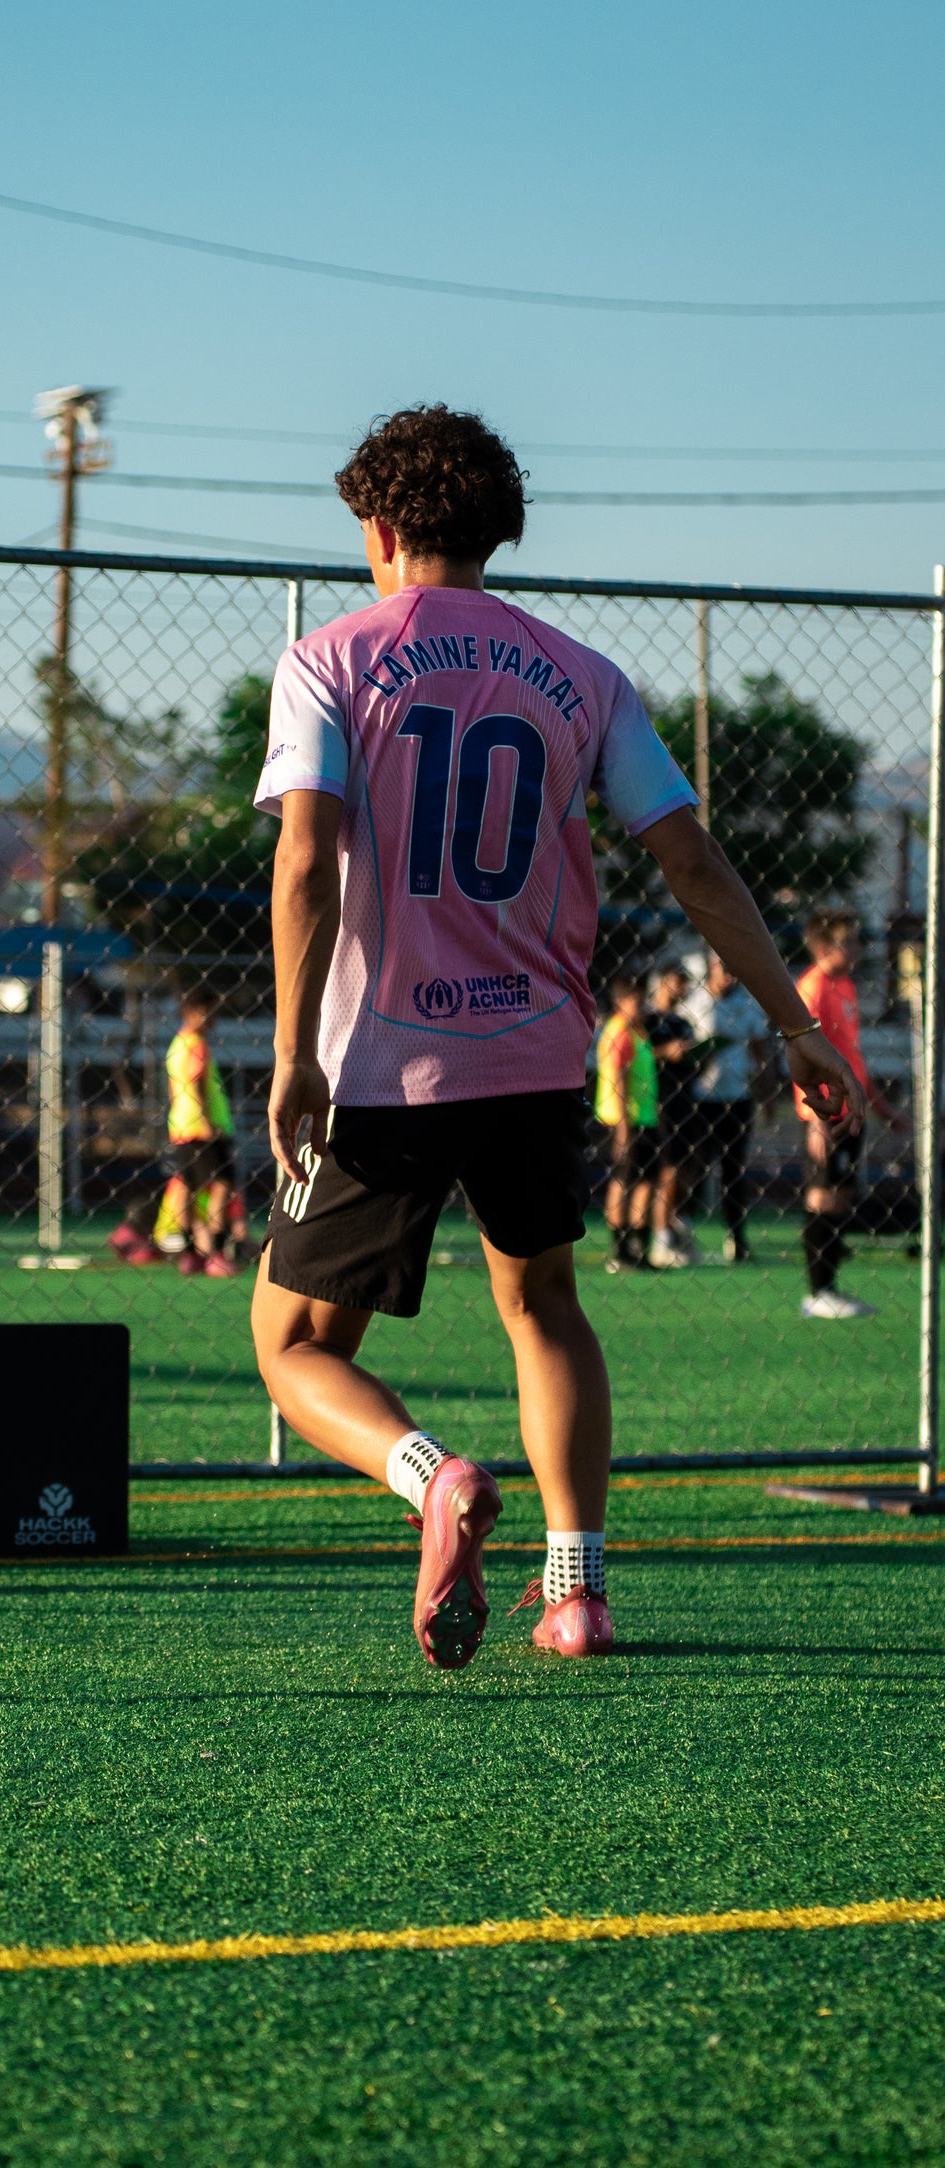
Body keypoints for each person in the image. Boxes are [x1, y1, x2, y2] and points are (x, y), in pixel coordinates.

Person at [249, 403, 862, 1670]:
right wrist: (795, 1024)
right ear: (499, 531)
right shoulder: (582, 674)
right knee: (543, 1309)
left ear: (377, 527)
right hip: (533, 1056)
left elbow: (305, 858)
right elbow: (690, 861)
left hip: (377, 1062)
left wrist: (294, 1050)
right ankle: (575, 1593)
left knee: (296, 1345)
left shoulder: (328, 660)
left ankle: (430, 1475)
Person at [794, 911, 905, 1318]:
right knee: (822, 1196)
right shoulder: (811, 988)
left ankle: (830, 1289)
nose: (857, 948)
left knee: (841, 1198)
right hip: (825, 1111)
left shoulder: (845, 986)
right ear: (825, 947)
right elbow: (803, 1054)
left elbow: (851, 1055)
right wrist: (816, 1119)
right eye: (850, 941)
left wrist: (882, 1107)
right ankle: (816, 1293)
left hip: (849, 1110)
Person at [678, 952, 770, 1264]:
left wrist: (767, 1092)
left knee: (734, 1170)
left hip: (737, 1098)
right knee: (696, 1167)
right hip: (702, 1097)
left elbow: (760, 1049)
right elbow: (681, 1046)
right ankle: (681, 1233)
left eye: (732, 968)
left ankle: (736, 1238)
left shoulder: (747, 1002)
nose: (728, 975)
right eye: (722, 967)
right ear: (710, 966)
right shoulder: (694, 1002)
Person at [164, 990, 240, 1278]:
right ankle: (217, 1254)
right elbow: (195, 1083)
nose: (214, 1018)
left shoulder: (176, 1044)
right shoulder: (197, 1044)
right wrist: (207, 1122)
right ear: (194, 1012)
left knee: (188, 1186)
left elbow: (175, 1090)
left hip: (181, 1126)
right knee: (221, 1185)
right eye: (211, 1011)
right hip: (204, 1129)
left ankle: (190, 1255)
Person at [595, 975, 663, 1274]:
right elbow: (618, 1082)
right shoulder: (620, 1032)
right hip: (624, 1121)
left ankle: (638, 1247)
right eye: (636, 1001)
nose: (641, 1006)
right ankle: (620, 1249)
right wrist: (623, 1129)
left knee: (645, 1181)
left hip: (644, 1118)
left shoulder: (637, 1031)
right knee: (622, 1181)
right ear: (620, 1002)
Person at [643, 963, 697, 1267]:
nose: (684, 989)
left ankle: (677, 1233)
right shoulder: (647, 1019)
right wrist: (667, 1052)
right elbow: (638, 1055)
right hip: (656, 1103)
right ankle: (660, 1239)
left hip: (684, 1102)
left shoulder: (683, 1022)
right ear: (663, 982)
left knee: (686, 1170)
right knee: (666, 1171)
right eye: (679, 981)